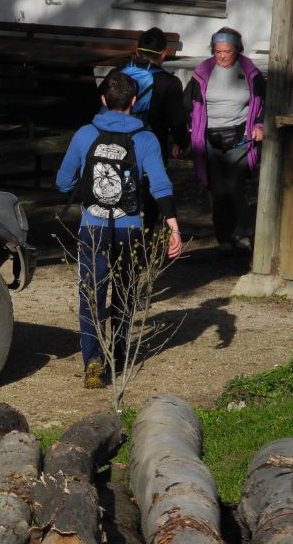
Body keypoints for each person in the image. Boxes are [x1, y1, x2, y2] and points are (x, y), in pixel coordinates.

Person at [57, 70, 183, 389]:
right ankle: (120, 353)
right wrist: (173, 226)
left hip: (93, 226)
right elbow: (160, 184)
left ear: (103, 100)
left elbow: (63, 182)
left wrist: (79, 185)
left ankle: (93, 362)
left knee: (91, 295)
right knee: (124, 292)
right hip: (129, 229)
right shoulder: (146, 138)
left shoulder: (85, 134)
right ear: (135, 102)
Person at [184, 27, 265, 256]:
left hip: (240, 137)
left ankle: (243, 235)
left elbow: (262, 103)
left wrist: (259, 125)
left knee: (234, 187)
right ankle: (224, 238)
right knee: (216, 190)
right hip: (210, 139)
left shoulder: (249, 71)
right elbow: (189, 103)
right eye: (217, 51)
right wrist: (191, 129)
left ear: (237, 50)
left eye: (227, 51)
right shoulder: (204, 71)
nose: (221, 56)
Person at [114, 27, 191, 232]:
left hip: (115, 142)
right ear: (164, 54)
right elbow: (176, 119)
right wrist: (183, 143)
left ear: (137, 51)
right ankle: (143, 236)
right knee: (150, 192)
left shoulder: (118, 74)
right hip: (151, 144)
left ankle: (119, 234)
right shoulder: (169, 82)